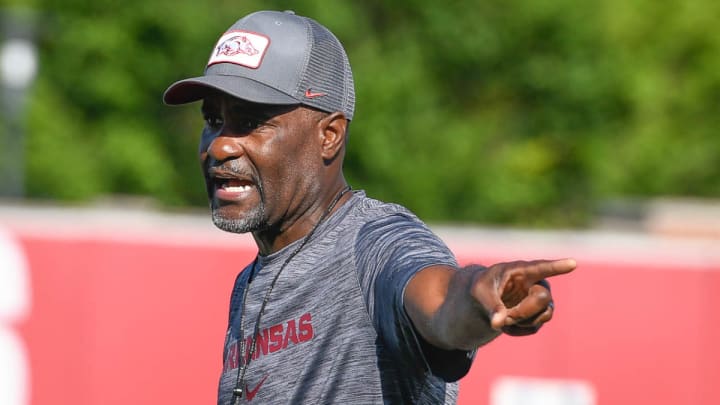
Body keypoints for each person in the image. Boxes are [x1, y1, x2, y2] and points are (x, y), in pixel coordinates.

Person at [163, 10, 576, 405]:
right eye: (213, 121)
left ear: (329, 136)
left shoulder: (374, 241)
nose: (220, 145)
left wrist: (478, 295)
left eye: (251, 123)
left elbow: (439, 300)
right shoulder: (250, 280)